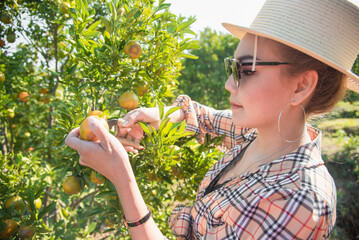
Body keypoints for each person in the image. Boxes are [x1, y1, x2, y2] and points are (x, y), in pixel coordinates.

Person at [65, 0, 359, 239]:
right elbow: (204, 118)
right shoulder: (258, 136)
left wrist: (122, 177)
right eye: (232, 68)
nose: (230, 85)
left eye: (246, 70)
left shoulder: (299, 200)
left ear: (301, 86)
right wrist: (160, 116)